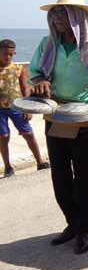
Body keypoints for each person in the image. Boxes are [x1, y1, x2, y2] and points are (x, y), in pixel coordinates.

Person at [29, 0, 88, 254]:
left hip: (84, 115)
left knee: (83, 172)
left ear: (78, 17)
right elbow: (35, 72)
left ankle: (84, 227)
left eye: (63, 13)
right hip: (55, 112)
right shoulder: (48, 44)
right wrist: (40, 82)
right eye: (54, 13)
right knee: (59, 173)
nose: (57, 17)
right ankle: (72, 222)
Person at [0, 39, 49, 177]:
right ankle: (8, 167)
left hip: (17, 106)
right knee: (3, 137)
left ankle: (40, 162)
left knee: (28, 133)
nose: (8, 57)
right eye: (4, 54)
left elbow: (23, 88)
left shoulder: (18, 68)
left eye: (11, 54)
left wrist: (27, 108)